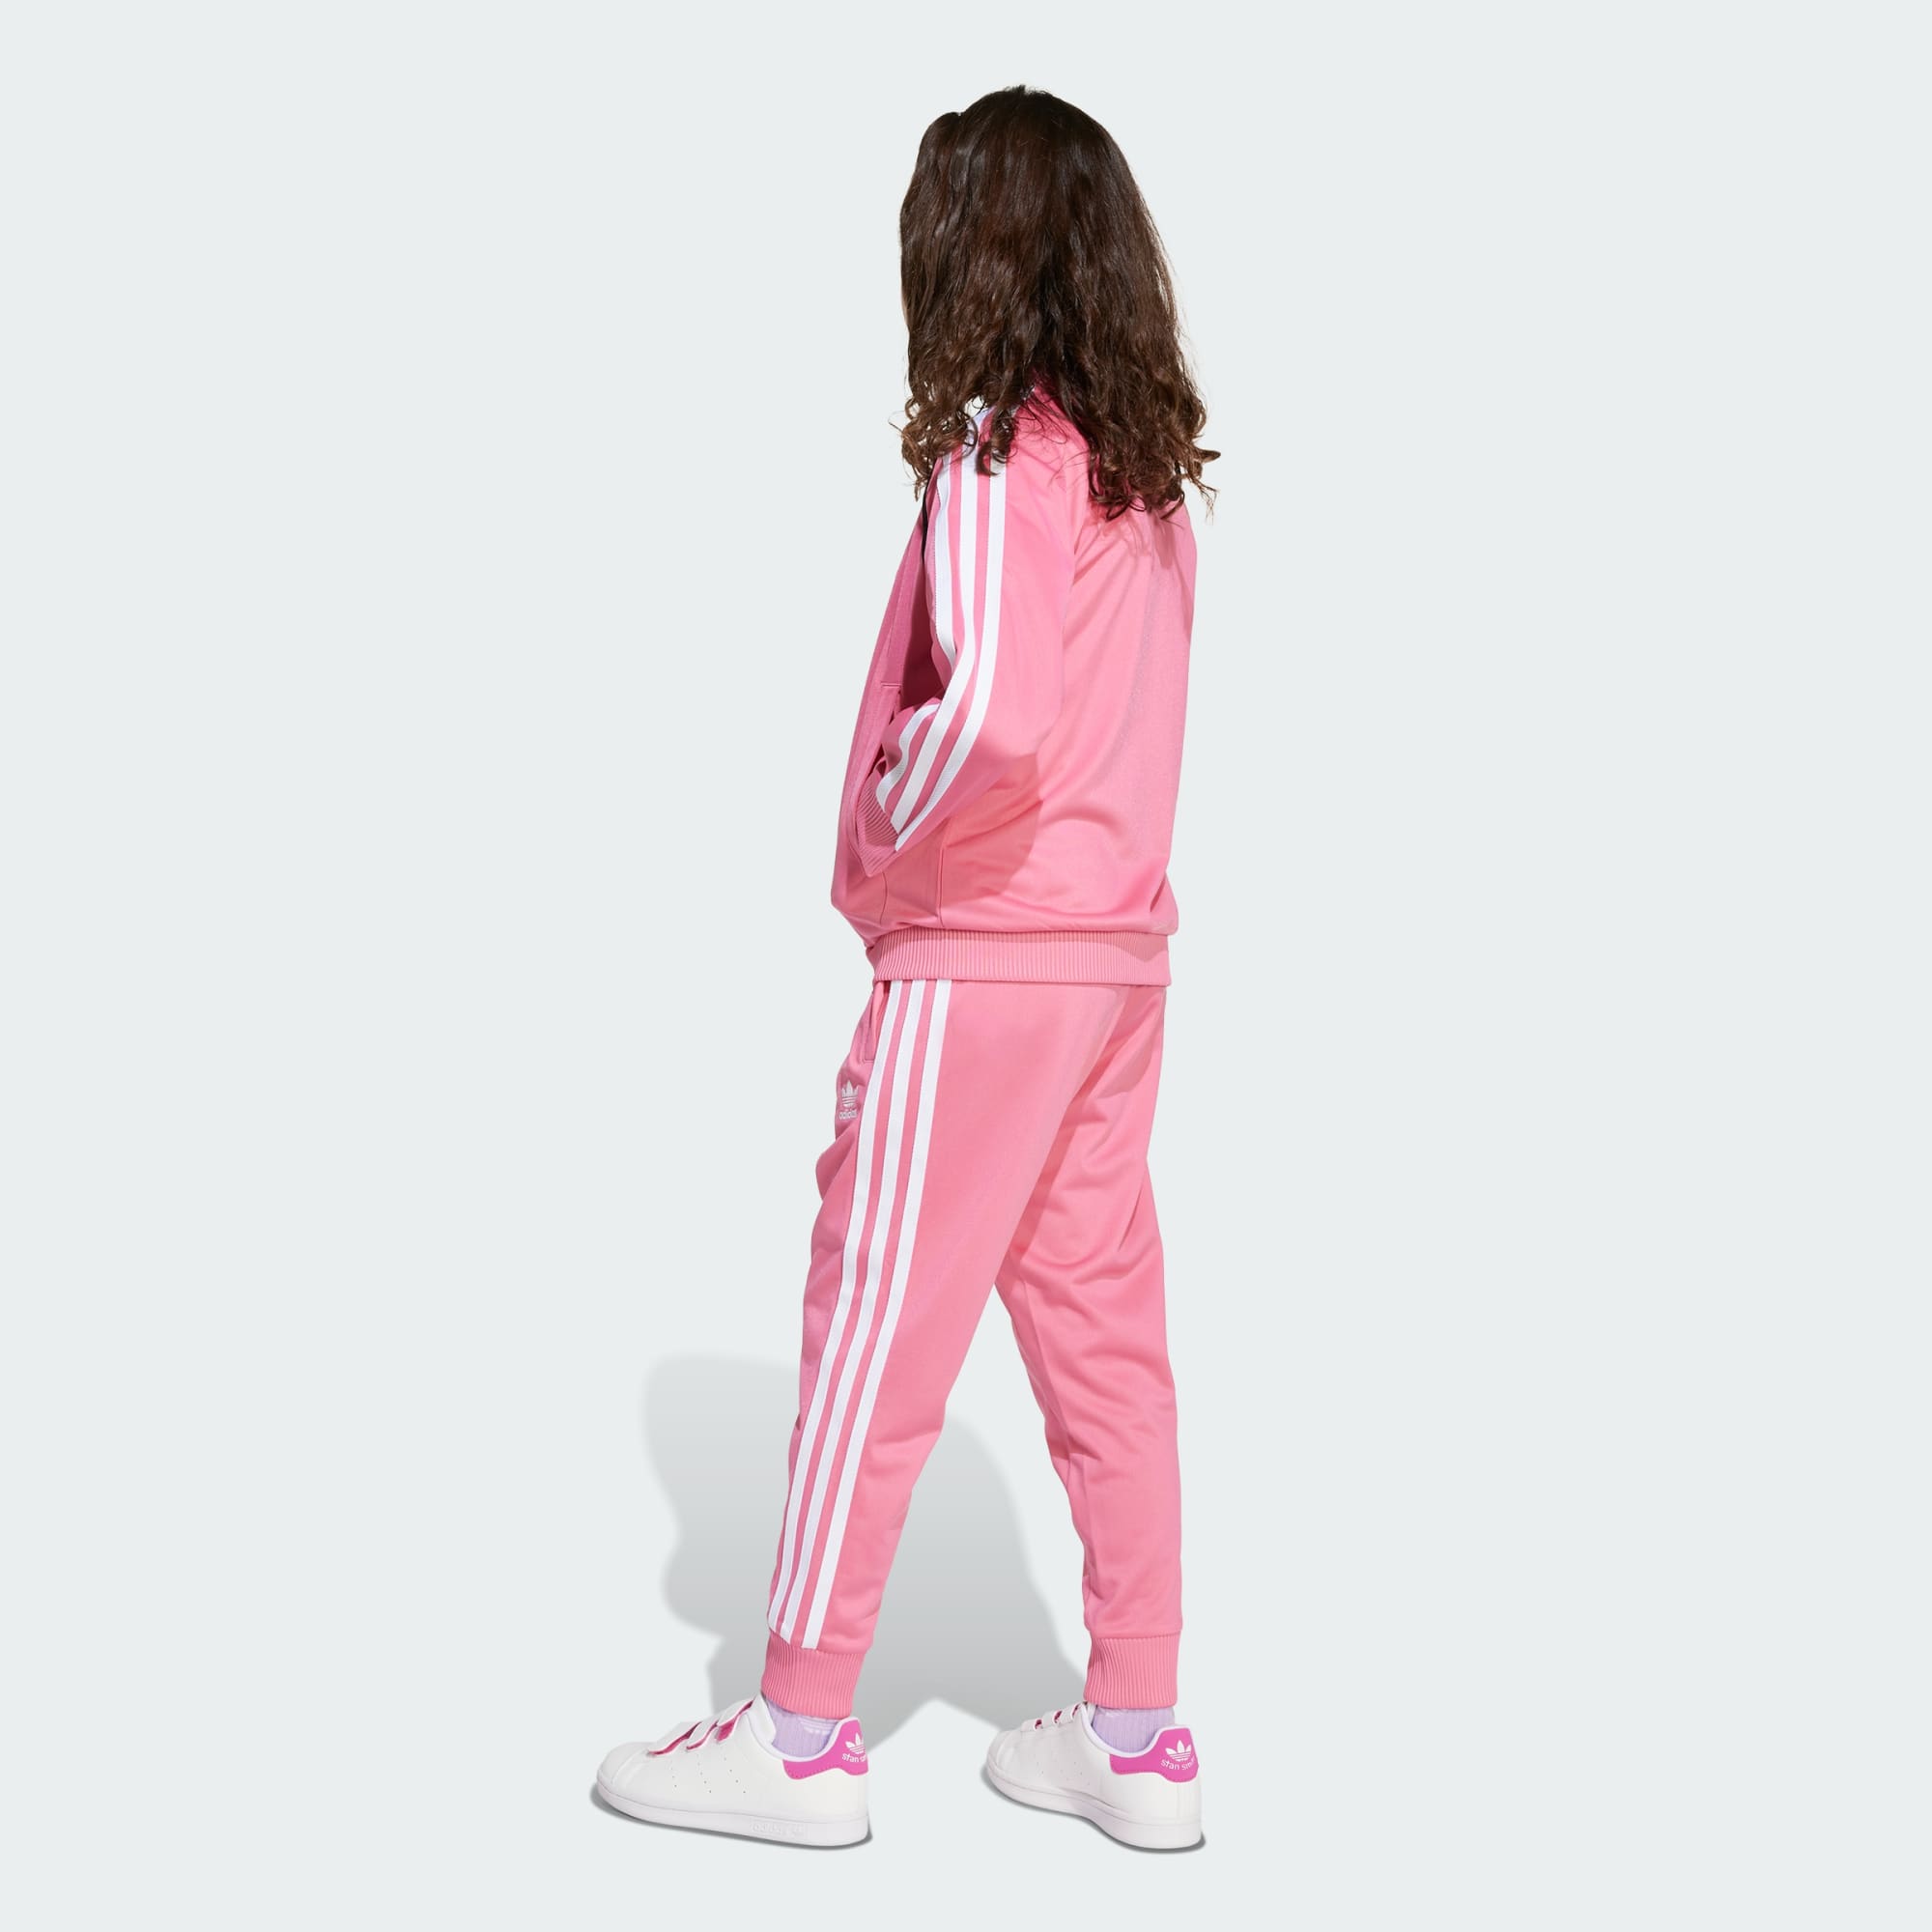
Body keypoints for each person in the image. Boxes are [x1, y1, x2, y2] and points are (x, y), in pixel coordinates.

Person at [596, 85, 1216, 1851]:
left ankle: (797, 1741)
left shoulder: (996, 450)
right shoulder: (1147, 485)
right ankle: (1139, 1731)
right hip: (1113, 969)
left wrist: (891, 803)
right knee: (1106, 1340)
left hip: (985, 962)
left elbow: (995, 714)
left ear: (963, 250)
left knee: (876, 1320)